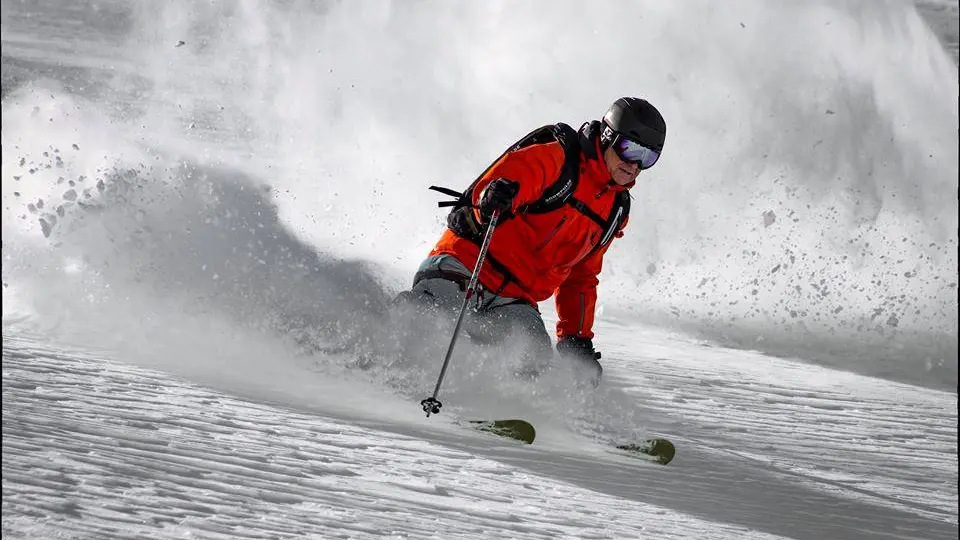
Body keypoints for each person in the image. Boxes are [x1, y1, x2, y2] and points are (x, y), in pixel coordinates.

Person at [401, 97, 666, 385]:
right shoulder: (558, 160)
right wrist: (494, 199)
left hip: (513, 301)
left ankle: (486, 408)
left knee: (532, 360)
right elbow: (494, 187)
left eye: (647, 158)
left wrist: (576, 339)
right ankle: (374, 360)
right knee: (431, 321)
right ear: (607, 137)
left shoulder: (614, 210)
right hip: (465, 267)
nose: (635, 165)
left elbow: (581, 277)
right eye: (630, 150)